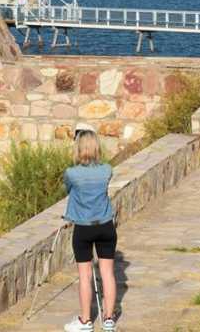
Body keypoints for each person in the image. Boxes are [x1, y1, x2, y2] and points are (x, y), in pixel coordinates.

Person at [64, 124, 118, 332]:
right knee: (108, 273)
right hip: (105, 226)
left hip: (83, 228)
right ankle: (108, 319)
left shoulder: (71, 173)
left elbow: (69, 189)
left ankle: (86, 320)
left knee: (85, 275)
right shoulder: (107, 170)